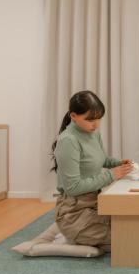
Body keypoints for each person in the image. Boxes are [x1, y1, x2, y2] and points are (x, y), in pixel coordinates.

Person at [51, 90, 133, 252]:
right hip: (74, 213)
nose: (95, 124)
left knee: (135, 223)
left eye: (98, 119)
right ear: (73, 115)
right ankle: (72, 234)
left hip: (96, 203)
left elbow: (100, 159)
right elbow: (72, 187)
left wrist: (118, 163)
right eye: (90, 120)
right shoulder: (68, 141)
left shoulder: (93, 134)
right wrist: (111, 174)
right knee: (129, 237)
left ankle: (84, 235)